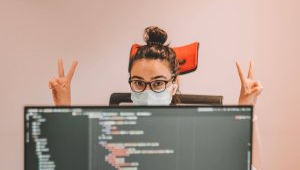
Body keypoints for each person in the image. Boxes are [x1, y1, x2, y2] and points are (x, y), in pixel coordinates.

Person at [48, 26, 263, 169]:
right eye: (139, 82)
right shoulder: (111, 132)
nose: (147, 91)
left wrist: (247, 109)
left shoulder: (197, 133)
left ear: (173, 86)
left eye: (158, 83)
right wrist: (62, 109)